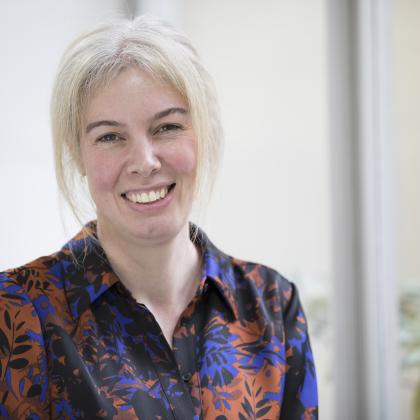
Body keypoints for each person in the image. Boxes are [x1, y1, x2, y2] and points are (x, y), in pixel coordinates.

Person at [0, 16, 318, 419]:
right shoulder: (17, 312)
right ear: (78, 155)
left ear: (203, 135)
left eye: (167, 127)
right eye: (110, 136)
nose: (144, 162)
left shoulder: (272, 305)